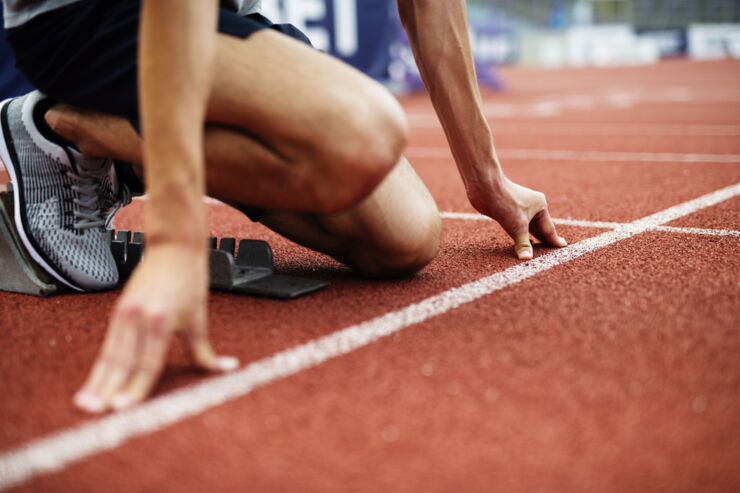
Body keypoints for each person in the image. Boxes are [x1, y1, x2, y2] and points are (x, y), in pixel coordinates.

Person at [0, 0, 567, 413]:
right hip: (87, 14)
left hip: (221, 18)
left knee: (403, 238)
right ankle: (59, 128)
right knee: (359, 134)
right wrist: (176, 241)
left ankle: (122, 154)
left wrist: (485, 176)